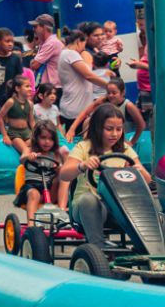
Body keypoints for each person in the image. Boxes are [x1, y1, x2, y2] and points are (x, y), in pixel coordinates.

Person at [60, 103, 151, 248]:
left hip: (119, 207)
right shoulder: (84, 147)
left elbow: (147, 180)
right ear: (98, 128)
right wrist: (82, 165)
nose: (115, 134)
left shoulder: (125, 150)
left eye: (119, 129)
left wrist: (139, 170)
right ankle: (99, 248)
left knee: (152, 206)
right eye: (109, 129)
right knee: (88, 200)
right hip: (87, 208)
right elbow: (64, 174)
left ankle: (148, 250)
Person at [65, 77, 146, 146]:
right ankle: (86, 144)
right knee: (89, 120)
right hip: (102, 134)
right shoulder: (103, 100)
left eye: (114, 93)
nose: (110, 95)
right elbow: (85, 112)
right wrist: (72, 129)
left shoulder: (128, 106)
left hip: (117, 136)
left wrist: (132, 142)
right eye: (108, 93)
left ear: (123, 92)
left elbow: (141, 124)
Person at [58, 30, 109, 131]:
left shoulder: (64, 54)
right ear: (78, 41)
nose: (84, 48)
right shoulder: (71, 54)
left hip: (75, 106)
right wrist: (110, 86)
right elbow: (89, 76)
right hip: (76, 108)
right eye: (84, 44)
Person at [15, 121, 64, 222]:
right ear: (36, 138)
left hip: (50, 189)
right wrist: (28, 157)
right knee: (34, 194)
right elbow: (22, 159)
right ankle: (31, 225)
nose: (47, 142)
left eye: (50, 139)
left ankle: (62, 216)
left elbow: (62, 170)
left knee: (61, 178)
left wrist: (58, 169)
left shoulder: (55, 155)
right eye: (43, 138)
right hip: (32, 187)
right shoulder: (30, 150)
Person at [0, 75, 35, 154]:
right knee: (26, 150)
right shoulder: (11, 102)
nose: (30, 89)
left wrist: (36, 133)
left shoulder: (30, 104)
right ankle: (24, 155)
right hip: (14, 133)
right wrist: (5, 136)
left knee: (37, 145)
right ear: (17, 88)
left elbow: (31, 121)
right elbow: (0, 117)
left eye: (30, 86)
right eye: (27, 86)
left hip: (26, 132)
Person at [28, 14, 63, 97]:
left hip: (52, 89)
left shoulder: (51, 43)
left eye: (35, 27)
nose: (33, 29)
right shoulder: (46, 43)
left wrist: (32, 62)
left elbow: (34, 65)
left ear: (44, 27)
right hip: (48, 88)